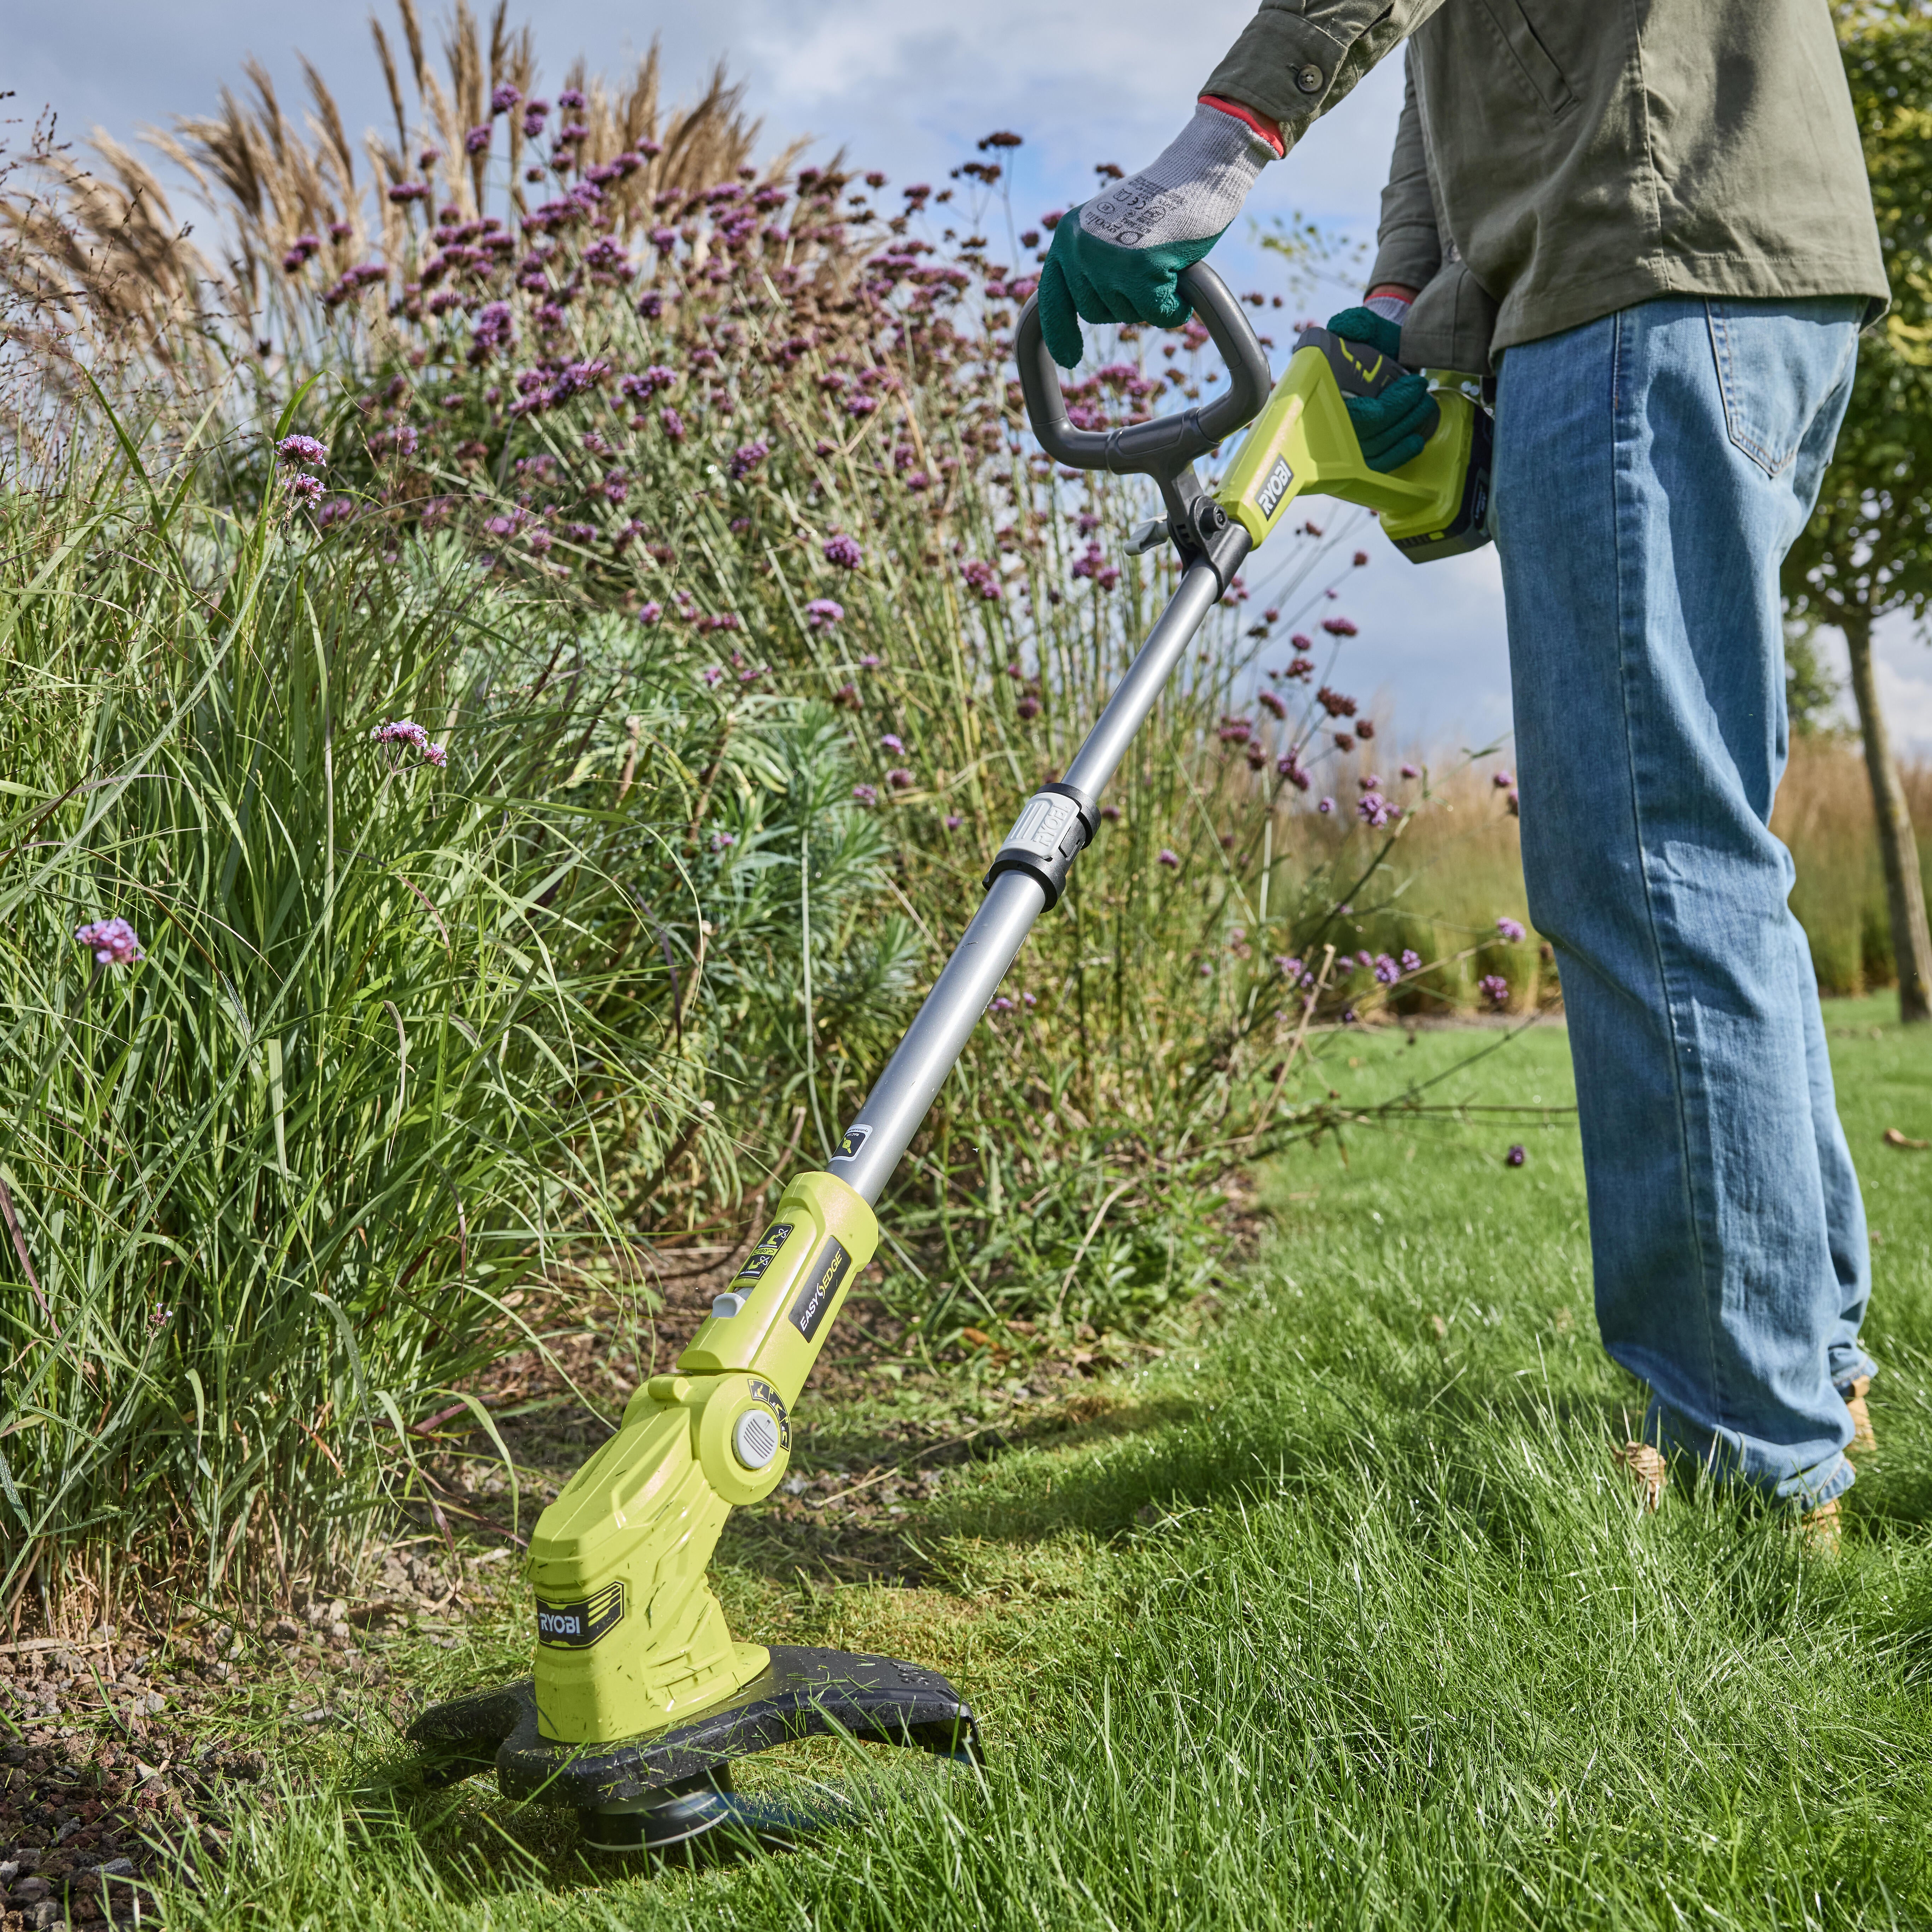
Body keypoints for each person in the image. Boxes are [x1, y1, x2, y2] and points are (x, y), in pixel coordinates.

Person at [1040, 2, 1888, 1535]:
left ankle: (1746, 1466)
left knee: (1646, 862)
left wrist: (1218, 144)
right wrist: (1400, 306)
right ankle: (1803, 1377)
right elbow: (1456, 66)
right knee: (1699, 861)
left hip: (1644, 247)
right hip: (1691, 261)